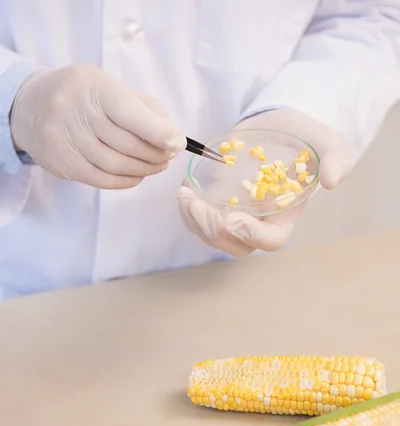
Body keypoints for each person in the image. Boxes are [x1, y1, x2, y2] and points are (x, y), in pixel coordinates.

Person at [0, 1, 399, 299]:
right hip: (20, 273)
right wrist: (16, 98)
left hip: (220, 288)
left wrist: (302, 109)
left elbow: (374, 16)